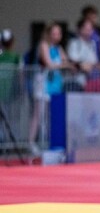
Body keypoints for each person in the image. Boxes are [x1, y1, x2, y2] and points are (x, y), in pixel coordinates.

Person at [31, 23, 74, 155]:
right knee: (39, 114)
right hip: (43, 83)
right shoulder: (44, 45)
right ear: (49, 34)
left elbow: (66, 61)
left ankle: (50, 143)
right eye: (54, 33)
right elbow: (49, 64)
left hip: (55, 84)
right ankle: (31, 142)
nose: (57, 36)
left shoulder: (59, 48)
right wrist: (64, 65)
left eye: (59, 33)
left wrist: (65, 64)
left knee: (51, 116)